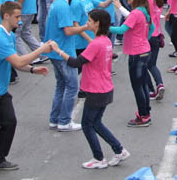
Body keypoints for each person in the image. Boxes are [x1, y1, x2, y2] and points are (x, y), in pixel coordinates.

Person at [0, 1, 52, 176]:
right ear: (6, 16)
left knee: (9, 123)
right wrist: (41, 49)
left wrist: (32, 69)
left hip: (0, 89)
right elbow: (18, 61)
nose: (19, 21)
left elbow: (14, 62)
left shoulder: (10, 36)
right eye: (17, 17)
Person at [50, 9, 130, 169]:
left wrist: (58, 50)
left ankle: (99, 158)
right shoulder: (106, 41)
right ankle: (119, 150)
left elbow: (76, 62)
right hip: (105, 88)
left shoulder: (96, 43)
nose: (87, 23)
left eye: (89, 21)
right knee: (96, 123)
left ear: (97, 23)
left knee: (87, 124)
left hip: (96, 89)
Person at [45, 0, 91, 132]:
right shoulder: (63, 6)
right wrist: (85, 27)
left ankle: (55, 119)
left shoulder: (58, 4)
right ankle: (64, 121)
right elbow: (68, 30)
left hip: (56, 51)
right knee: (72, 86)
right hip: (63, 51)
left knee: (61, 86)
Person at [110, 0, 153, 127]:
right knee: (143, 85)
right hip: (144, 50)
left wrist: (103, 27)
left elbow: (122, 29)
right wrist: (143, 39)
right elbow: (151, 28)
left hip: (137, 53)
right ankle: (145, 112)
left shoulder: (135, 13)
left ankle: (143, 115)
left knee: (137, 86)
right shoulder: (143, 11)